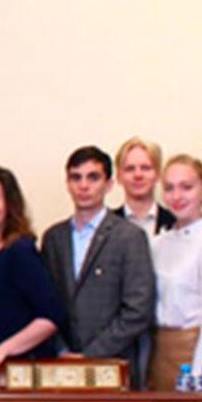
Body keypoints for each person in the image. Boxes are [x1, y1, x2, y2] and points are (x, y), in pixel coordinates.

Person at [41, 146, 157, 386]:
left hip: (113, 365)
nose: (83, 186)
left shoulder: (129, 236)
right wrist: (62, 350)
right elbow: (45, 302)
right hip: (61, 366)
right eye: (76, 178)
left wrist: (90, 356)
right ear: (67, 183)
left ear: (109, 184)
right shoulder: (54, 237)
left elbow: (138, 310)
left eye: (93, 177)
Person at [0, 167, 63, 385]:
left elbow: (51, 317)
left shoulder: (20, 251)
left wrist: (2, 351)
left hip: (24, 378)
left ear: (9, 205)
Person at [147, 156, 202, 389]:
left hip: (194, 354)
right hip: (159, 354)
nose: (177, 196)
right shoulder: (158, 243)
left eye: (186, 187)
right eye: (169, 188)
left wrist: (201, 378)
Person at [113, 137, 175, 238]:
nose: (138, 175)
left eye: (146, 168)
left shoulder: (176, 223)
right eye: (130, 169)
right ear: (119, 177)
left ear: (158, 174)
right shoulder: (104, 226)